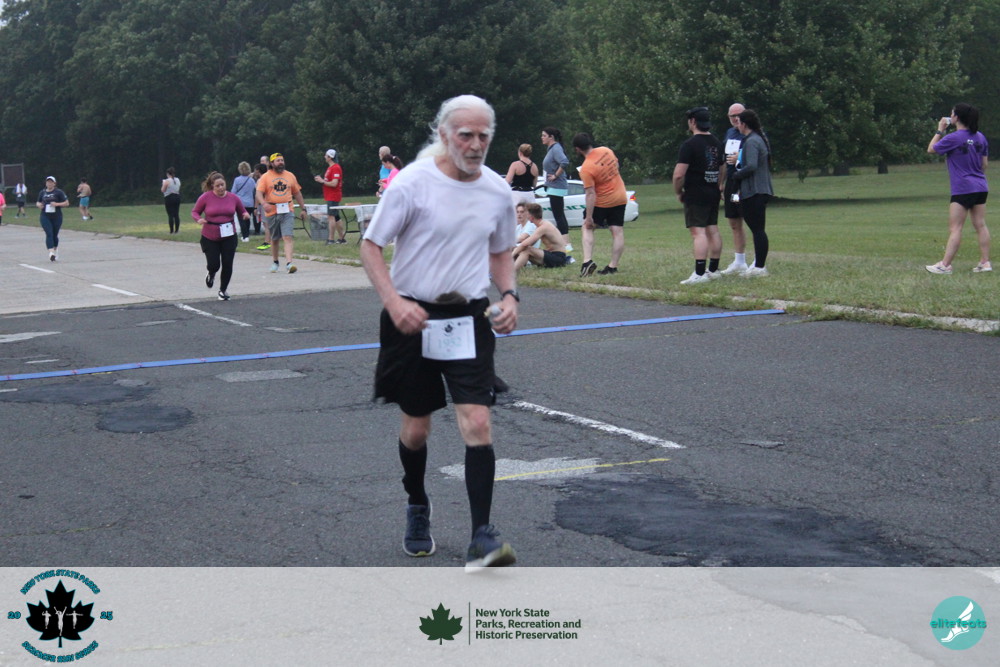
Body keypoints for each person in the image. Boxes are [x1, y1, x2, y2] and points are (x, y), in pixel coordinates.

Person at [360, 94, 519, 571]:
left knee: (478, 422)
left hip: (467, 317)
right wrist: (395, 303)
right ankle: (417, 502)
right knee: (417, 428)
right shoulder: (413, 183)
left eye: (483, 136)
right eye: (465, 135)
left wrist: (510, 296)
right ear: (445, 135)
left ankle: (481, 537)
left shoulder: (496, 191)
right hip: (412, 316)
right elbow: (370, 246)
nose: (475, 144)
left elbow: (501, 251)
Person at [926, 103, 992, 274]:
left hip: (962, 187)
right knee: (980, 225)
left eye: (952, 113)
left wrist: (940, 130)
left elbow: (931, 149)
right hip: (981, 186)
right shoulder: (980, 137)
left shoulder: (953, 138)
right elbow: (984, 164)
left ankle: (945, 265)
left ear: (956, 117)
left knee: (956, 228)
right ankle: (985, 262)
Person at [673, 107, 725, 285]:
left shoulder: (689, 145)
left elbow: (679, 175)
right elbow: (722, 167)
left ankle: (700, 273)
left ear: (693, 122)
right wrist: (719, 185)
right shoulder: (717, 142)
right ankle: (714, 269)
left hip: (696, 193)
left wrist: (678, 192)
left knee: (698, 232)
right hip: (713, 191)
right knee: (713, 229)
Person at [573, 132, 628, 276]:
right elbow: (616, 166)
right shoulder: (606, 150)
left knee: (587, 228)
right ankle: (612, 266)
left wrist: (589, 217)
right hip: (620, 196)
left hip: (602, 201)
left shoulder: (586, 168)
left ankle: (587, 261)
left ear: (577, 149)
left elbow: (590, 193)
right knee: (617, 232)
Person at [727, 109, 773, 277]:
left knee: (758, 229)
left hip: (755, 191)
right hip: (755, 190)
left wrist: (736, 175)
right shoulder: (755, 139)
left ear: (744, 124)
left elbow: (751, 166)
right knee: (756, 228)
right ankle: (758, 265)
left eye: (739, 122)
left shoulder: (752, 141)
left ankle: (759, 267)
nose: (737, 125)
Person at [192, 171, 250, 300]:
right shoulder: (205, 197)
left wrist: (245, 214)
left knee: (228, 263)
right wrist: (199, 219)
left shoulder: (233, 198)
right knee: (214, 264)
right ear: (212, 186)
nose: (220, 188)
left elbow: (242, 211)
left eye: (222, 185)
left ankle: (223, 290)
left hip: (229, 235)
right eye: (217, 186)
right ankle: (211, 273)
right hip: (210, 236)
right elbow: (195, 212)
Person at [256, 152, 307, 274]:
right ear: (272, 163)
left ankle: (289, 263)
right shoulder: (265, 177)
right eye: (278, 161)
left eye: (282, 160)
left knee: (287, 236)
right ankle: (275, 262)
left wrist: (303, 209)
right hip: (272, 211)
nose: (281, 162)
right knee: (275, 239)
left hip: (287, 210)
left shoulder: (290, 175)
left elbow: (297, 193)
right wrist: (264, 204)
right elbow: (258, 193)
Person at [720, 103, 750, 274]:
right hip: (732, 183)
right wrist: (721, 183)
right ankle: (739, 261)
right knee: (734, 219)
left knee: (752, 220)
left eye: (740, 115)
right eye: (733, 116)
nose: (736, 119)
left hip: (747, 181)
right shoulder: (730, 133)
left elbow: (760, 156)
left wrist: (740, 157)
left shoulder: (754, 133)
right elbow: (725, 160)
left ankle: (759, 262)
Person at [514, 202, 570, 271]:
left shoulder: (543, 227)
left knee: (527, 250)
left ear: (531, 217)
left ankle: (511, 272)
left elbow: (525, 244)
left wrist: (512, 254)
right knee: (524, 249)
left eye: (527, 214)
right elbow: (529, 244)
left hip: (558, 258)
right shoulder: (541, 224)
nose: (527, 216)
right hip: (551, 255)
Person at [541, 126, 572, 248]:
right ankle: (563, 242)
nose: (542, 138)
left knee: (559, 215)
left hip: (557, 186)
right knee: (558, 215)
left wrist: (555, 175)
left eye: (544, 135)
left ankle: (566, 244)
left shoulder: (556, 148)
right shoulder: (551, 149)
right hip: (553, 187)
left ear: (551, 137)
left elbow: (564, 162)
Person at [314, 148, 345, 244]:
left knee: (331, 216)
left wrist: (322, 181)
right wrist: (322, 180)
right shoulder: (330, 168)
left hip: (333, 195)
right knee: (336, 217)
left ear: (330, 157)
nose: (324, 157)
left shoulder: (335, 168)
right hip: (330, 195)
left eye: (326, 155)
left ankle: (331, 239)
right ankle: (342, 238)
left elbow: (334, 183)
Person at [36, 176, 69, 261]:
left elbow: (66, 203)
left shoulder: (59, 192)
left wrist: (57, 204)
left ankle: (55, 249)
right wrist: (39, 205)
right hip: (45, 215)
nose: (49, 183)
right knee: (49, 233)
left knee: (55, 234)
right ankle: (51, 253)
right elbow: (38, 202)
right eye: (48, 182)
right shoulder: (42, 192)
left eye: (51, 182)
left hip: (57, 216)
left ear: (54, 183)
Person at [231, 162, 257, 241]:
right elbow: (254, 190)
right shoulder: (252, 180)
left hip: (240, 203)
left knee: (241, 220)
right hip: (250, 203)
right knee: (247, 219)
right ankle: (247, 235)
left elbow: (233, 192)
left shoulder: (237, 180)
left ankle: (244, 236)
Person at [253, 163, 271, 250]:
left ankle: (267, 242)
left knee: (266, 224)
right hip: (270, 202)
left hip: (263, 203)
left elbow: (258, 195)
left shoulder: (260, 181)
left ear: (258, 171)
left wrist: (256, 207)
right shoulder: (269, 178)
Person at [161, 168, 181, 234]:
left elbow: (163, 190)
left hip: (169, 197)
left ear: (167, 174)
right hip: (177, 197)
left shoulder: (166, 181)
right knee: (176, 214)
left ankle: (171, 231)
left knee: (170, 215)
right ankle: (177, 230)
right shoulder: (177, 180)